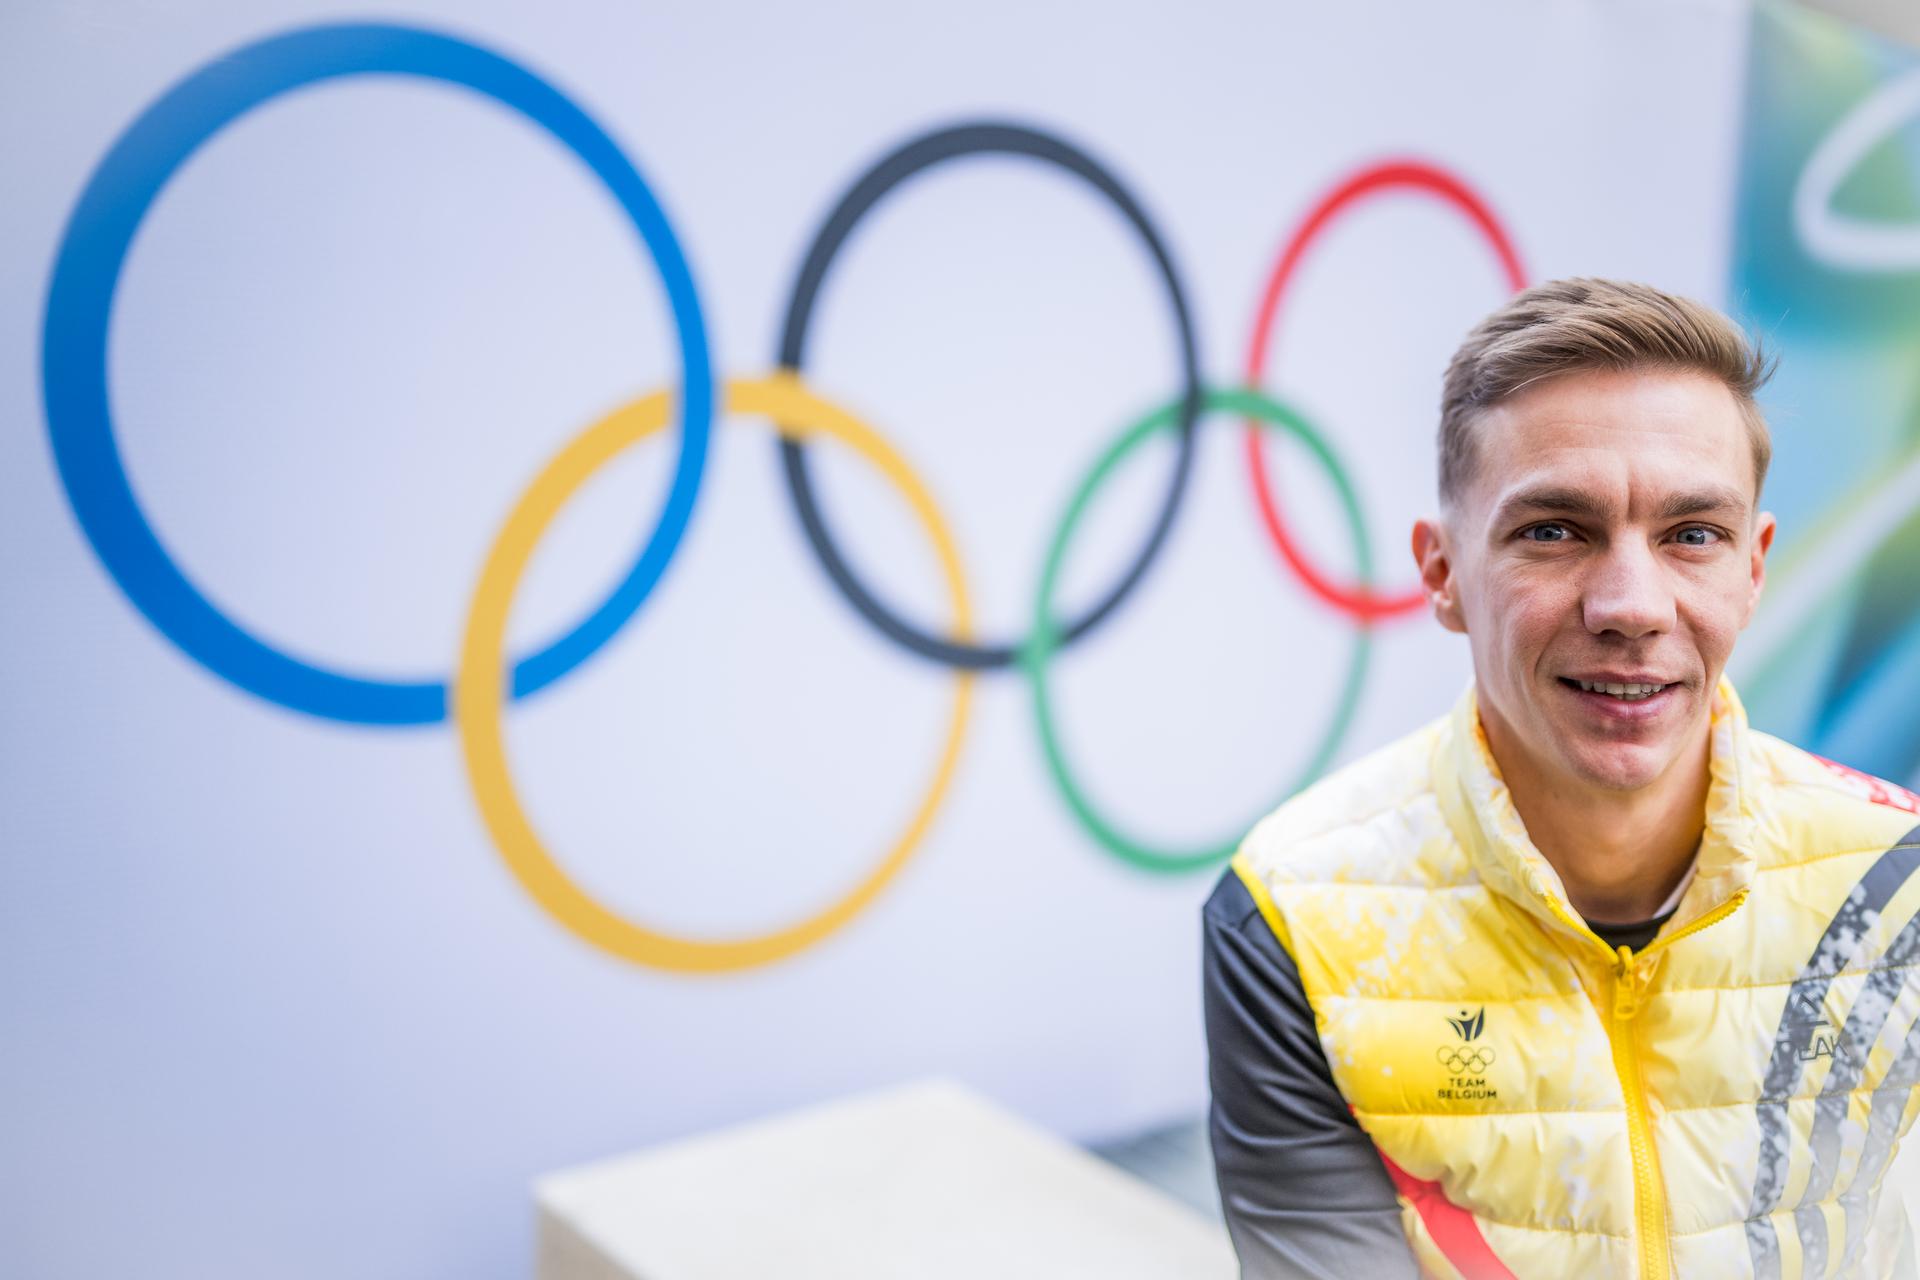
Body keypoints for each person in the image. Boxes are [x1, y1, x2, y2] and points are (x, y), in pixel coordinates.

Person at [1203, 278, 1920, 1280]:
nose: (1632, 605)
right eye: (1554, 529)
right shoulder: (1295, 913)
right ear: (1443, 572)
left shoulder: (1899, 880)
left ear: (1753, 568)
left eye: (1693, 535)